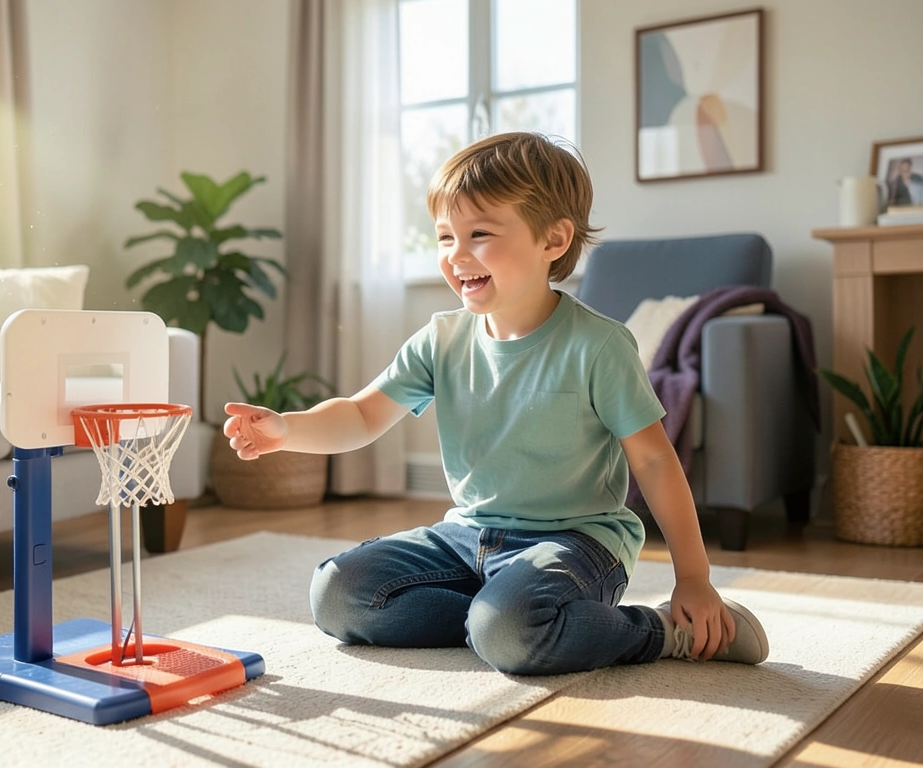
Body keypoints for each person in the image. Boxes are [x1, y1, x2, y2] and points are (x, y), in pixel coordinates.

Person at [221, 132, 768, 675]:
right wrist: (287, 430)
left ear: (553, 240)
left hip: (576, 543)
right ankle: (504, 625)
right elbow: (362, 415)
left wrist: (693, 579)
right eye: (443, 238)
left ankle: (660, 633)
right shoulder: (441, 339)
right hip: (466, 535)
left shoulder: (598, 345)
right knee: (338, 593)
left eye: (479, 234)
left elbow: (652, 460)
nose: (456, 256)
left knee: (507, 626)